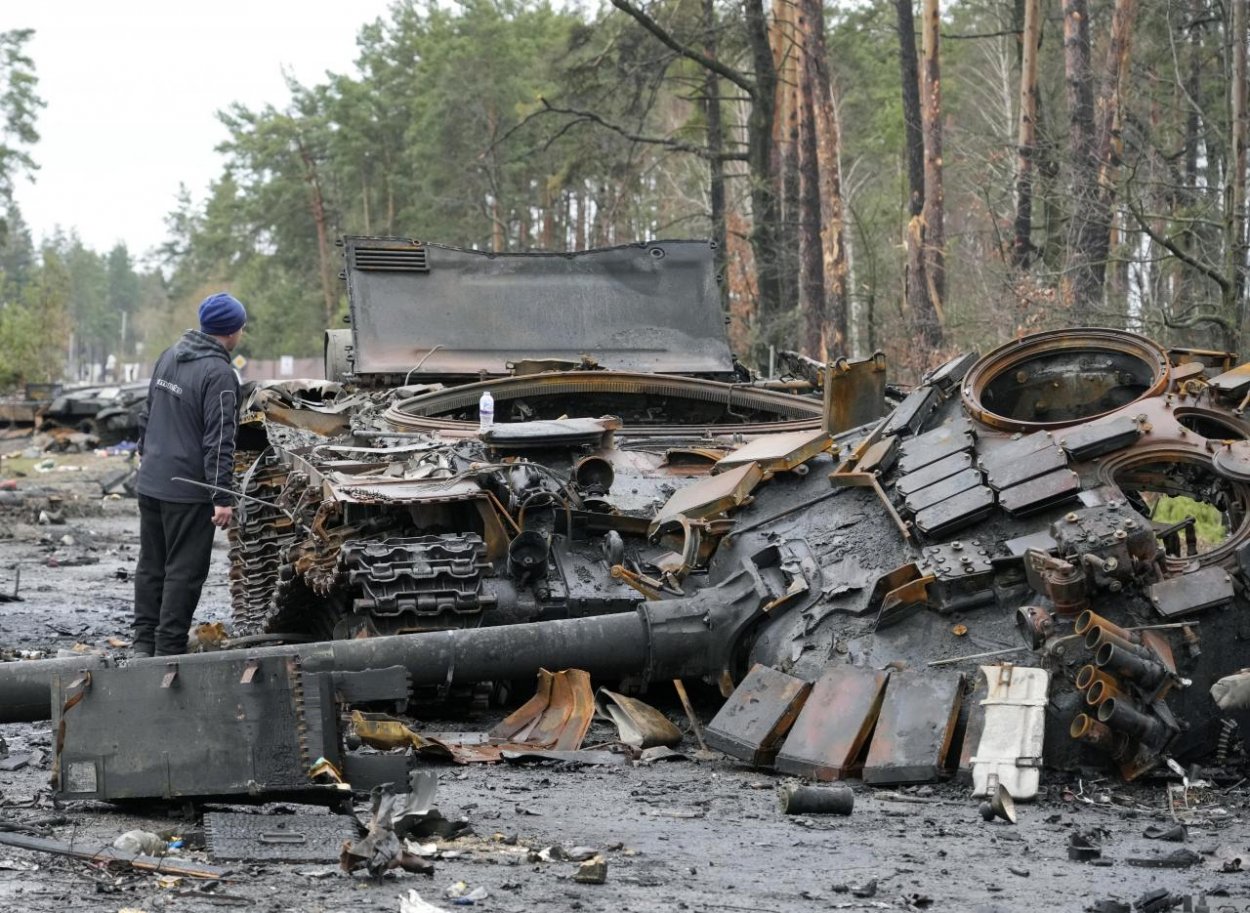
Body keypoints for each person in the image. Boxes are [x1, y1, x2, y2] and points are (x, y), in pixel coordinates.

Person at [132, 292, 246, 657]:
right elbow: (220, 440)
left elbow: (147, 414)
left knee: (152, 565)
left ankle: (142, 644)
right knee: (184, 571)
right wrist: (222, 497)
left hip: (151, 483)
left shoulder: (168, 356)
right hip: (188, 492)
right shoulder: (220, 374)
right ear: (233, 331)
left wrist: (144, 455)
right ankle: (167, 651)